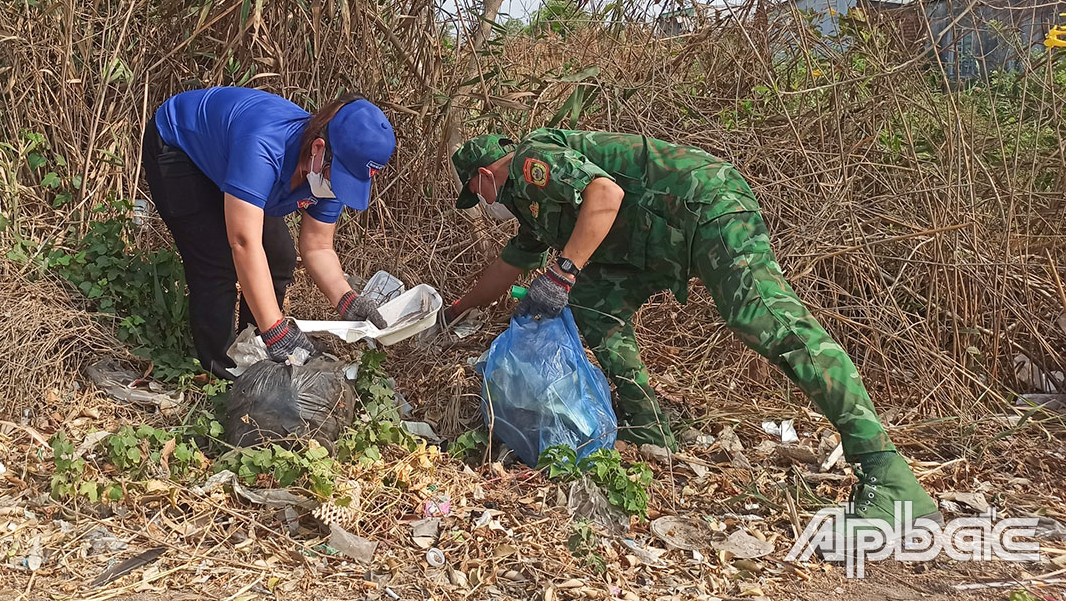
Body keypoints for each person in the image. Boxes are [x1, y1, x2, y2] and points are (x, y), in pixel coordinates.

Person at [442, 128, 939, 527]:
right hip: (658, 236)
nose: (485, 207)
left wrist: (562, 272)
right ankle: (647, 422)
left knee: (766, 321)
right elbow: (506, 269)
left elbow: (605, 193)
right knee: (596, 305)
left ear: (485, 177)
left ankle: (886, 472)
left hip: (704, 207)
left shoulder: (534, 160)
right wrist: (457, 307)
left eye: (477, 196)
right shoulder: (531, 208)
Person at [143, 87, 396, 379]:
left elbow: (317, 247)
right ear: (318, 148)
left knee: (279, 257)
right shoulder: (264, 145)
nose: (339, 188)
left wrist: (347, 299)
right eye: (339, 177)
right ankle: (222, 372)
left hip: (230, 157)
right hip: (180, 147)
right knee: (217, 263)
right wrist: (277, 328)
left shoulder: (335, 171)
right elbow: (243, 242)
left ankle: (257, 345)